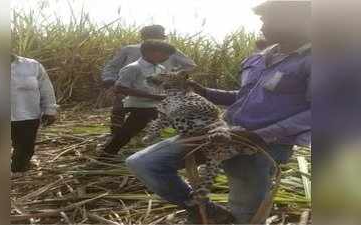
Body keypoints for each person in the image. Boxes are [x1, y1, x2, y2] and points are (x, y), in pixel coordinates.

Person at [125, 0, 311, 224]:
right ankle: (205, 210)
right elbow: (242, 97)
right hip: (221, 132)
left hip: (261, 146)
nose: (262, 27)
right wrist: (204, 91)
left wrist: (262, 135)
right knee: (144, 163)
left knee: (245, 215)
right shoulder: (259, 58)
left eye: (268, 20)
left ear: (296, 21)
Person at [101, 24, 196, 137]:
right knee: (128, 110)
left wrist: (110, 82)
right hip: (138, 90)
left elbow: (111, 67)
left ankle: (118, 136)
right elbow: (191, 66)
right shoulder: (131, 50)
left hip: (141, 89)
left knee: (123, 110)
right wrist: (174, 76)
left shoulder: (131, 49)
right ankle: (120, 137)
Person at [99, 41, 176, 156]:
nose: (167, 57)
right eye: (164, 54)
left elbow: (160, 85)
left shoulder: (160, 68)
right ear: (149, 52)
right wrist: (154, 96)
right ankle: (106, 155)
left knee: (130, 131)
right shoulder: (133, 68)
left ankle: (109, 153)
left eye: (168, 55)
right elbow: (120, 88)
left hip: (154, 105)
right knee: (128, 132)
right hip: (140, 106)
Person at [11, 54, 58, 175]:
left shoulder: (32, 65)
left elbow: (46, 88)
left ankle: (18, 176)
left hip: (27, 117)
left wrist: (50, 110)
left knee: (24, 151)